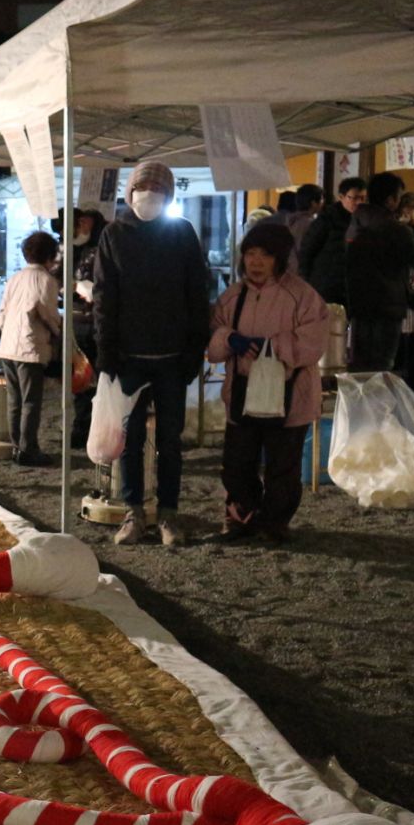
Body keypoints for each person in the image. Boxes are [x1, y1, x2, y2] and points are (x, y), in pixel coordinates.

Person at [94, 161, 212, 547]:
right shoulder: (114, 234)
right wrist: (106, 352)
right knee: (128, 440)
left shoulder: (181, 233)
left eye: (158, 191)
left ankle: (169, 514)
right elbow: (103, 298)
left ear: (170, 196)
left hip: (172, 358)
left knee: (170, 441)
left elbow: (197, 294)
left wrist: (195, 350)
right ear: (129, 193)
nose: (150, 196)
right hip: (128, 358)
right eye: (143, 189)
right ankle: (133, 513)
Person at [206, 223, 329, 545]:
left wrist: (272, 347)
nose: (256, 261)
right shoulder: (232, 297)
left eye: (265, 255)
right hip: (242, 392)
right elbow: (214, 341)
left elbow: (314, 342)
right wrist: (228, 338)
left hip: (291, 394)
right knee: (237, 462)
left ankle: (274, 523)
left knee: (282, 465)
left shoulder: (303, 296)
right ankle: (239, 517)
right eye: (250, 254)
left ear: (280, 259)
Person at [0, 231, 64, 466]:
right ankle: (28, 449)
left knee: (14, 400)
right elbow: (48, 314)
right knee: (31, 401)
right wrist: (59, 332)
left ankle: (17, 446)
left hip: (7, 346)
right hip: (30, 346)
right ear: (49, 256)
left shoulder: (15, 278)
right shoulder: (47, 280)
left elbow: (2, 313)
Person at [344, 172, 414, 372]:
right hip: (388, 303)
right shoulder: (398, 230)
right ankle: (377, 403)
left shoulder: (354, 222)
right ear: (390, 200)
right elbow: (413, 257)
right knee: (382, 364)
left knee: (359, 361)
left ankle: (357, 402)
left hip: (359, 301)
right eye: (398, 197)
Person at [68, 207, 107, 448]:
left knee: (98, 378)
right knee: (80, 378)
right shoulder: (74, 250)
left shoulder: (103, 250)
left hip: (96, 323)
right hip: (77, 323)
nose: (80, 229)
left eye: (84, 224)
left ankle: (93, 428)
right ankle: (81, 427)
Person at [296, 177, 364, 304]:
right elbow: (307, 250)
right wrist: (306, 282)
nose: (359, 202)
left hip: (352, 289)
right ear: (341, 197)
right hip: (326, 287)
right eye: (354, 198)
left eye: (362, 198)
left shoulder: (364, 221)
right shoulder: (327, 219)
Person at [284, 183, 326, 248]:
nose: (323, 202)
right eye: (321, 199)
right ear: (313, 203)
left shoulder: (290, 220)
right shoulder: (311, 224)